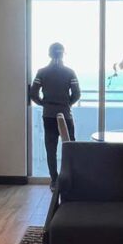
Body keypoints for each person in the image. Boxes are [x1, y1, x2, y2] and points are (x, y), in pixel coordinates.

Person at [30, 42, 81, 188]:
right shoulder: (70, 72)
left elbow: (33, 94)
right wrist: (67, 103)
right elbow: (77, 94)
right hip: (65, 115)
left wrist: (44, 103)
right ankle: (71, 178)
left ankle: (54, 181)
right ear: (63, 53)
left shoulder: (42, 72)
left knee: (50, 148)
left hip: (49, 115)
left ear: (49, 54)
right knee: (70, 146)